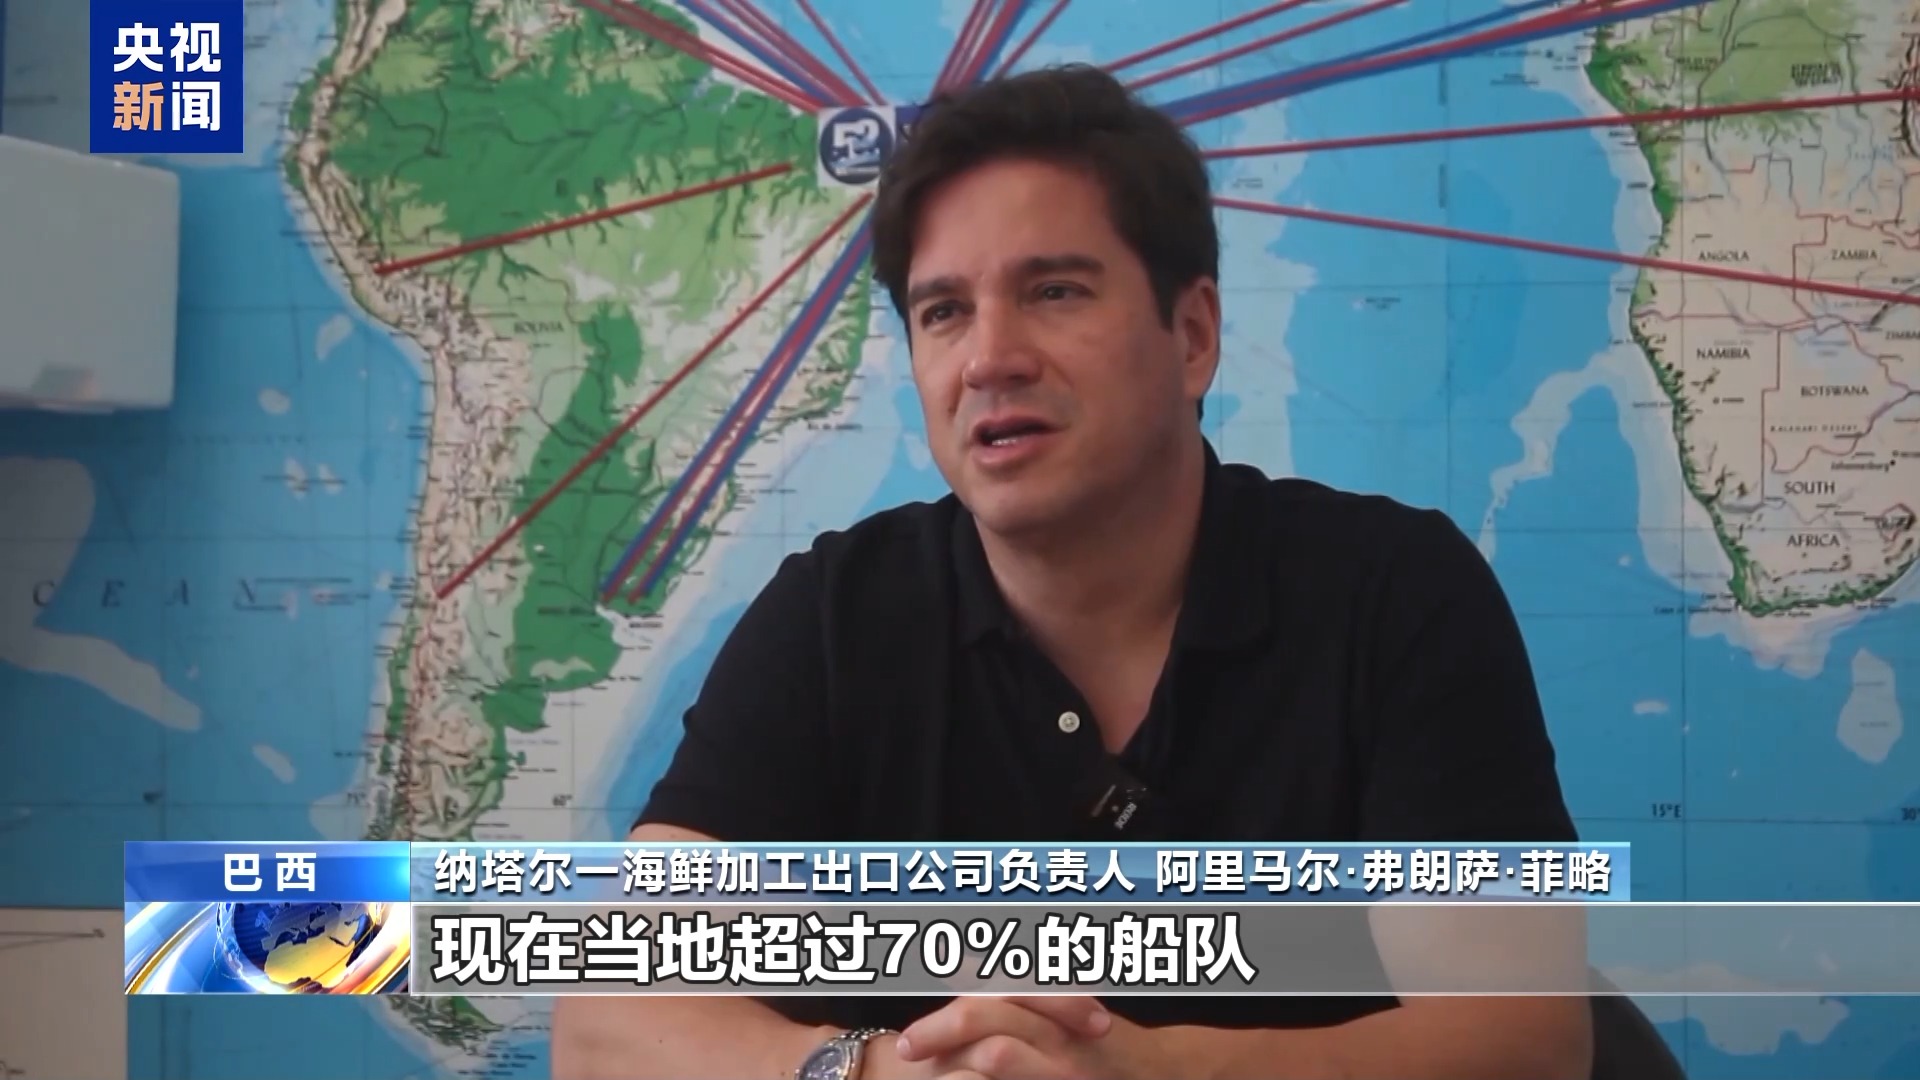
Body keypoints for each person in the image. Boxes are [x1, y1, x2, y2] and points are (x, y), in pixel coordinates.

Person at [552, 63, 1592, 1080]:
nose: (988, 358)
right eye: (943, 312)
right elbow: (605, 1025)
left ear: (1192, 335)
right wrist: (863, 1074)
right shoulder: (833, 620)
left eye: (1053, 291)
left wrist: (1147, 1072)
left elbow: (1521, 1043)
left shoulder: (1395, 594)